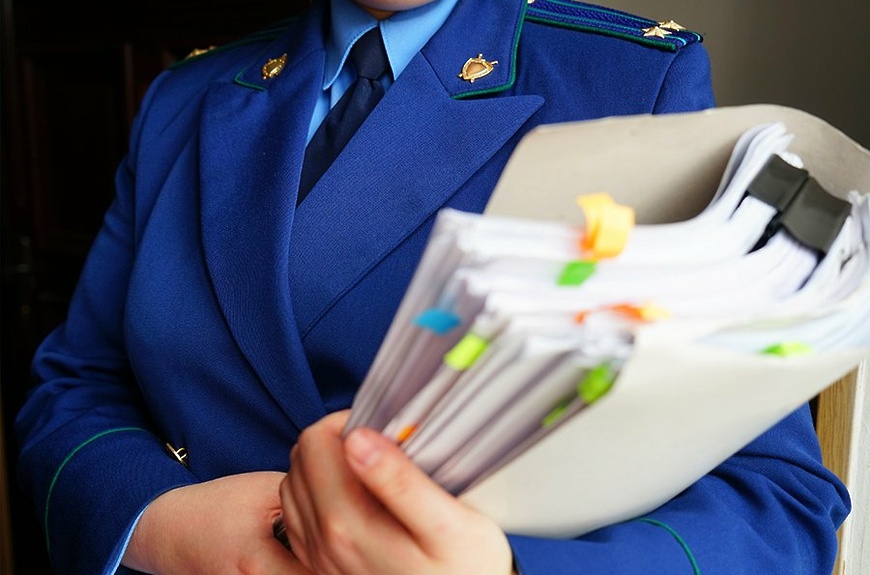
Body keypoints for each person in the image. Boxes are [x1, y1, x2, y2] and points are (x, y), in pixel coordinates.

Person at [14, 0, 849, 573]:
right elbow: (73, 386)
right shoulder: (184, 97)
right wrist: (163, 523)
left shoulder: (631, 82)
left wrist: (508, 569)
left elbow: (776, 501)